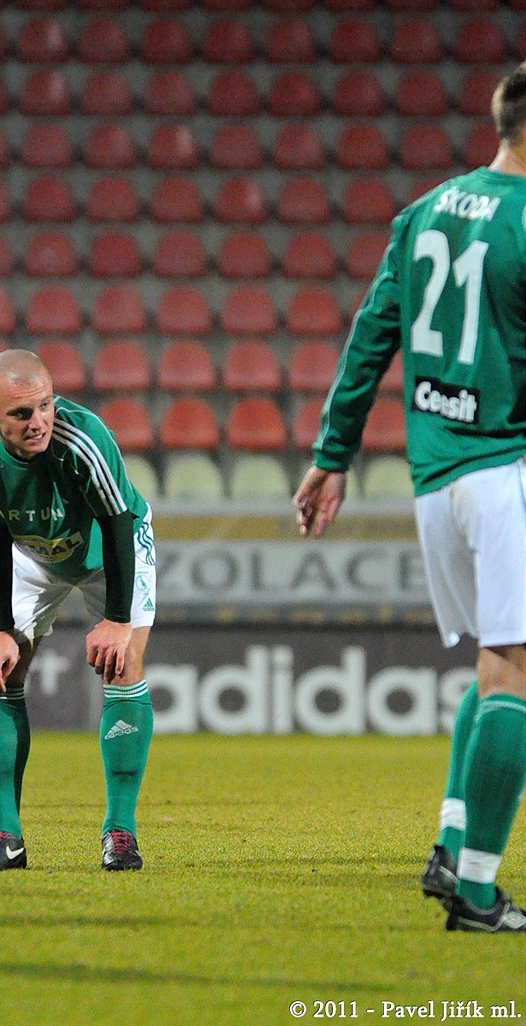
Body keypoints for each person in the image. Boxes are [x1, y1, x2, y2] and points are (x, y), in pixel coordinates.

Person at [293, 63, 526, 933]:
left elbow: (371, 335)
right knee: (517, 671)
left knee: (496, 662)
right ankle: (475, 891)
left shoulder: (426, 210)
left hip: (436, 479)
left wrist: (331, 454)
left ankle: (450, 841)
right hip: (506, 469)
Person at [0, 349, 156, 872]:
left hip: (108, 550)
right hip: (29, 552)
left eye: (45, 405)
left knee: (123, 663)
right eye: (21, 413)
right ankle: (6, 836)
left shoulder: (83, 438)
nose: (38, 421)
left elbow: (117, 522)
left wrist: (117, 618)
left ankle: (120, 831)